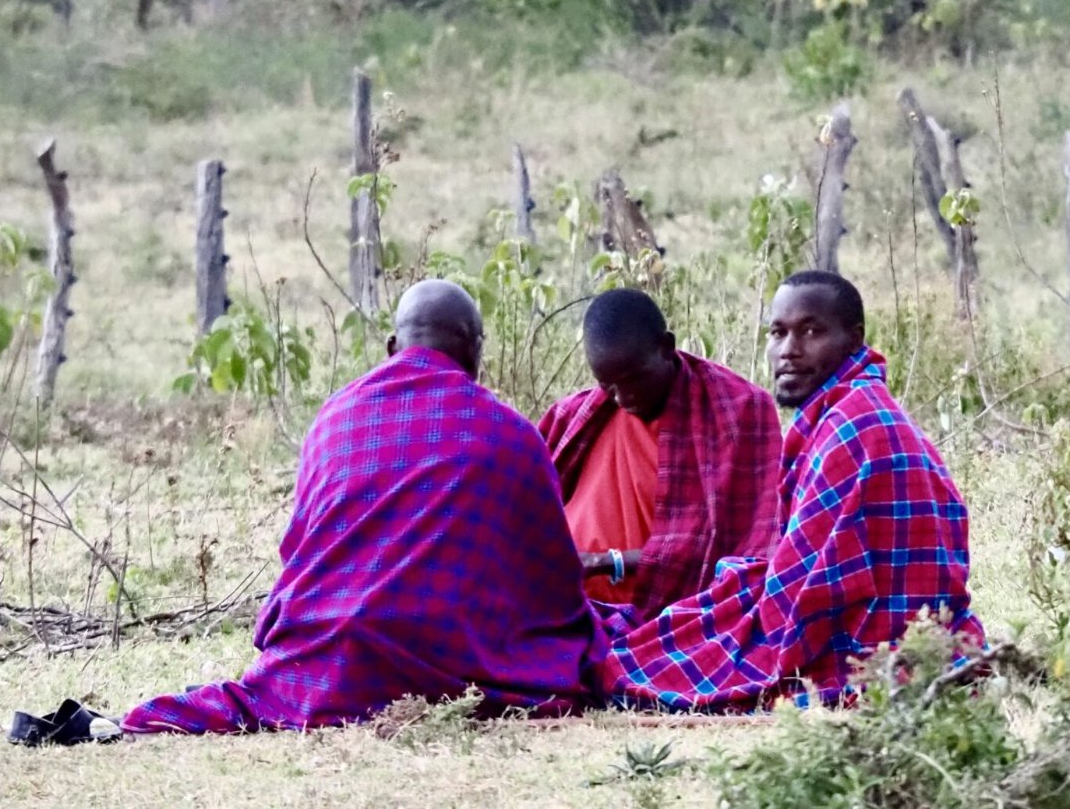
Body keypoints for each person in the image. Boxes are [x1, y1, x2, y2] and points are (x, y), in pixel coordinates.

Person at [123, 280, 609, 733]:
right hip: (459, 661)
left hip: (332, 661)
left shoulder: (334, 419)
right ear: (476, 349)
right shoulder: (510, 434)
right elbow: (552, 583)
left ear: (392, 347)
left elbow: (300, 552)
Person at [602, 269, 982, 710]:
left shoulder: (855, 426)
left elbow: (800, 596)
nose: (788, 350)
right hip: (911, 627)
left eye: (811, 332)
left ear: (854, 338)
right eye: (778, 333)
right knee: (696, 617)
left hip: (873, 637)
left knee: (640, 665)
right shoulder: (849, 408)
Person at [537, 288, 782, 616]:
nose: (623, 397)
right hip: (569, 605)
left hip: (676, 615)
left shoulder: (737, 411)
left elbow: (747, 548)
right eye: (607, 385)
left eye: (634, 380)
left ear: (667, 347)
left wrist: (606, 562)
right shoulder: (572, 417)